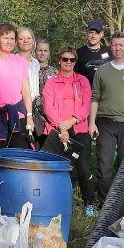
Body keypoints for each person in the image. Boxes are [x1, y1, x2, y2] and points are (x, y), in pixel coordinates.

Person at [89, 31, 124, 200]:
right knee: (104, 164)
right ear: (110, 46)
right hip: (105, 123)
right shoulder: (102, 71)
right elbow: (95, 98)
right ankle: (105, 202)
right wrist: (91, 122)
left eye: (121, 45)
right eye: (114, 45)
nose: (118, 48)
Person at [42, 46, 97, 216]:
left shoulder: (83, 81)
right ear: (59, 60)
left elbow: (86, 104)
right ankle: (55, 201)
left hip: (78, 128)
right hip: (57, 129)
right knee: (56, 168)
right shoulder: (51, 82)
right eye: (65, 59)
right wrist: (61, 126)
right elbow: (48, 107)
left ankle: (89, 202)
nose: (68, 63)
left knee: (83, 167)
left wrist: (71, 121)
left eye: (72, 60)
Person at [0, 23, 35, 148]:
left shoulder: (20, 62)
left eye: (12, 39)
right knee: (0, 158)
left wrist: (29, 117)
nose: (9, 42)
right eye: (6, 38)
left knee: (19, 158)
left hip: (18, 116)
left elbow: (26, 92)